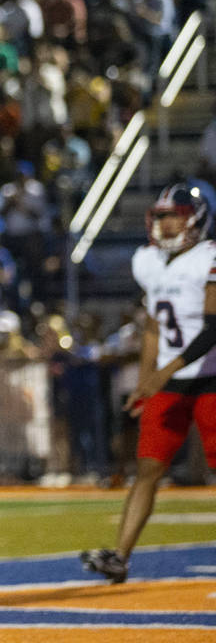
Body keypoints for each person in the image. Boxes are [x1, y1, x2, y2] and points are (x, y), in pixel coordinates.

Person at [82, 184, 216, 583]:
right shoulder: (150, 262)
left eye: (172, 214)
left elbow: (212, 328)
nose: (164, 222)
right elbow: (154, 327)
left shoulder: (209, 257)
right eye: (159, 215)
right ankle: (120, 556)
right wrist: (145, 381)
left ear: (194, 217)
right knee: (147, 469)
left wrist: (163, 371)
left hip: (211, 377)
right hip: (170, 382)